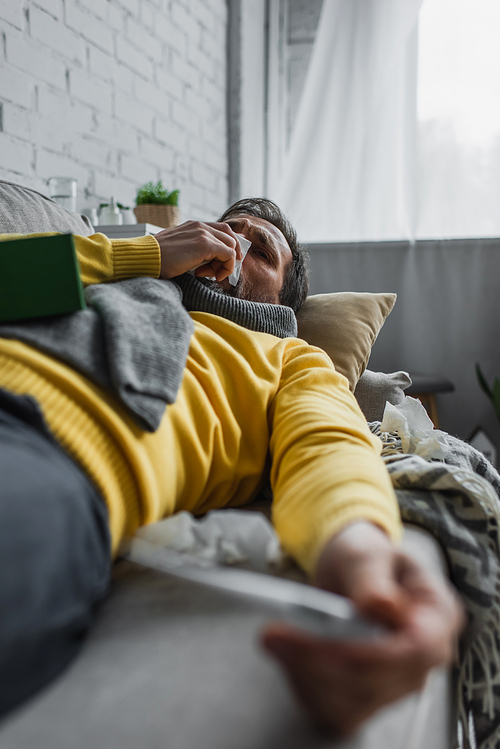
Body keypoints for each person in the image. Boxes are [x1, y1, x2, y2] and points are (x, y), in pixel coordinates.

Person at [0, 198, 462, 734]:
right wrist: (144, 255)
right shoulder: (105, 272)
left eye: (260, 249)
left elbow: (327, 446)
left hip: (40, 454)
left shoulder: (289, 359)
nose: (233, 243)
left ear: (284, 297)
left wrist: (362, 553)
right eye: (224, 230)